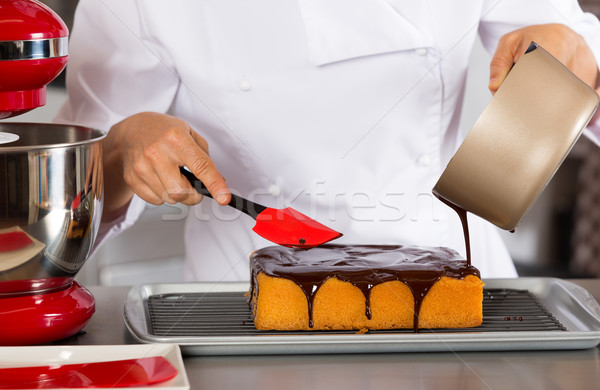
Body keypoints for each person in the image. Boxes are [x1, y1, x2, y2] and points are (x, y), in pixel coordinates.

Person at [55, 0, 600, 281]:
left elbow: (572, 61)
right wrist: (124, 150)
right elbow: (73, 192)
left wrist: (575, 57)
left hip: (458, 281)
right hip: (243, 303)